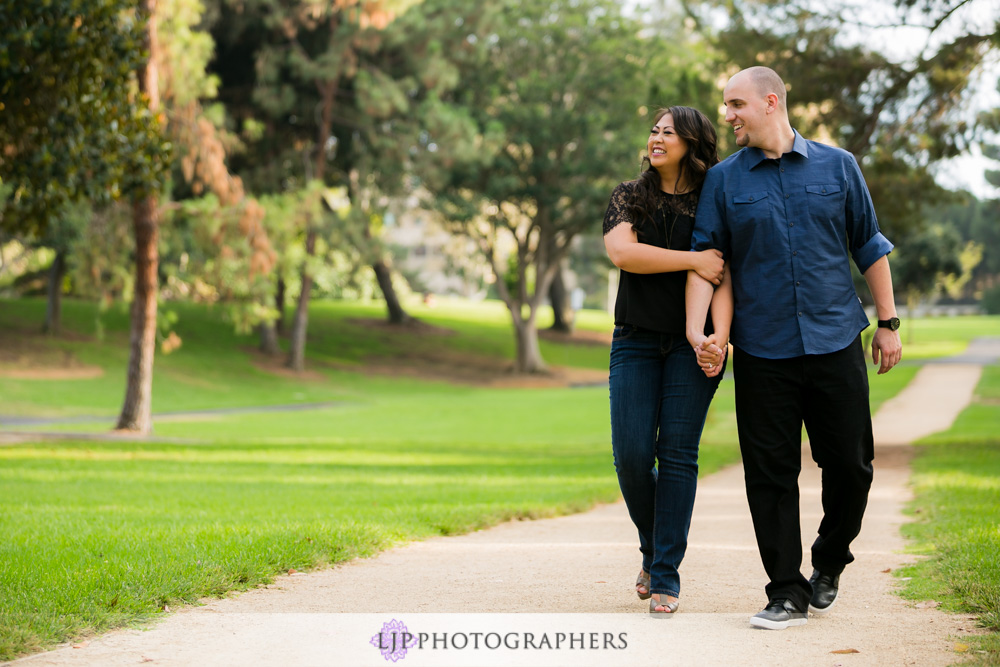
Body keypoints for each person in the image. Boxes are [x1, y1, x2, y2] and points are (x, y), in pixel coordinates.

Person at [685, 66, 903, 631]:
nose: (727, 115)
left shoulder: (839, 166)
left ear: (770, 102)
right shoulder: (724, 180)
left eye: (735, 103)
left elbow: (870, 247)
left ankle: (829, 561)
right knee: (770, 475)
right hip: (763, 349)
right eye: (725, 104)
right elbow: (711, 262)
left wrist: (889, 321)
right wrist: (710, 333)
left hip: (835, 340)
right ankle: (785, 590)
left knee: (852, 466)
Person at [603, 106, 729, 617]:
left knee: (677, 454)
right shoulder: (628, 196)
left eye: (668, 132)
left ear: (692, 143)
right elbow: (623, 254)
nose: (656, 138)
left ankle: (666, 574)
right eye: (654, 131)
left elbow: (725, 272)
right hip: (634, 340)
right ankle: (653, 552)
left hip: (690, 346)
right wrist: (691, 260)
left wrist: (719, 337)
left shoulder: (714, 198)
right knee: (632, 456)